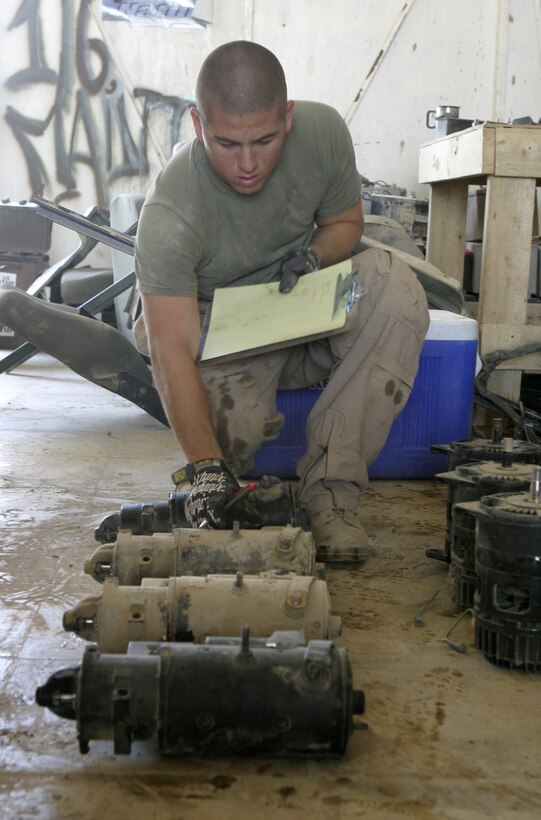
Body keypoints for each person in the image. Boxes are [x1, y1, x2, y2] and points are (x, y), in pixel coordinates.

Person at [134, 40, 430, 563]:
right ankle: (224, 470)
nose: (248, 163)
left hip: (298, 307)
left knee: (394, 286)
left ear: (287, 118)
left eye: (264, 140)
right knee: (229, 445)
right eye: (227, 144)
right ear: (197, 125)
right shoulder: (170, 212)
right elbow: (172, 348)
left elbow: (344, 224)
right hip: (216, 329)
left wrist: (316, 256)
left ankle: (332, 495)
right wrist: (204, 474)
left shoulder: (323, 135)